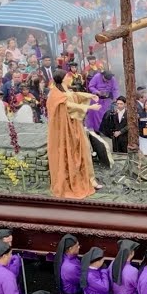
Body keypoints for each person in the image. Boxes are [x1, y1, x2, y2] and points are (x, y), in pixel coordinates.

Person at [47, 71, 100, 199]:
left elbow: (73, 95)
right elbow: (68, 104)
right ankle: (73, 180)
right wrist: (89, 108)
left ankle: (90, 179)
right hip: (65, 128)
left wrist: (89, 95)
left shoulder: (65, 89)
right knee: (70, 152)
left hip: (74, 124)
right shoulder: (55, 93)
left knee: (84, 151)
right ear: (62, 78)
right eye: (67, 76)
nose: (69, 77)